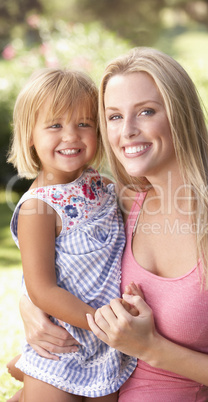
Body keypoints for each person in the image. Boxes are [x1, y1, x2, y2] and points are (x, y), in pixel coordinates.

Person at [17, 48, 208, 401]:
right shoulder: (120, 201)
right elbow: (59, 257)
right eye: (114, 117)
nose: (127, 131)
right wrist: (30, 304)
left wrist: (151, 347)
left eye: (146, 112)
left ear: (181, 115)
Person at [6, 68, 137, 402]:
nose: (71, 136)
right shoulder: (39, 207)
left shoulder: (103, 185)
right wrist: (102, 323)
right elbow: (41, 288)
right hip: (63, 346)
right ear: (30, 134)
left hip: (108, 348)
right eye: (55, 125)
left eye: (84, 123)